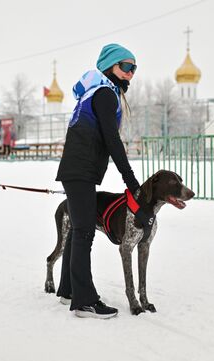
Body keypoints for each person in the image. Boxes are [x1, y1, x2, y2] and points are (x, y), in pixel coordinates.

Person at [55, 43, 154, 318]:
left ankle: (68, 290)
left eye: (134, 68)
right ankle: (84, 301)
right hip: (81, 170)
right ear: (110, 66)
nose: (130, 74)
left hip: (77, 169)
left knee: (78, 229)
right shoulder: (105, 94)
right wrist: (131, 179)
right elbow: (112, 140)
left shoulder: (95, 92)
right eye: (125, 67)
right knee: (85, 231)